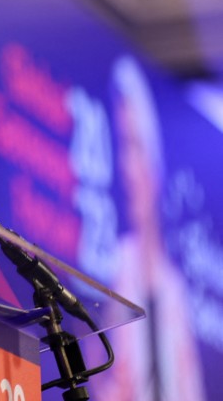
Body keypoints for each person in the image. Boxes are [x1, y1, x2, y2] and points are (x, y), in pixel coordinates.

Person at [90, 55, 205, 401]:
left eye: (136, 146)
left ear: (156, 161)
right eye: (120, 147)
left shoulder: (176, 290)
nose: (127, 167)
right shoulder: (111, 270)